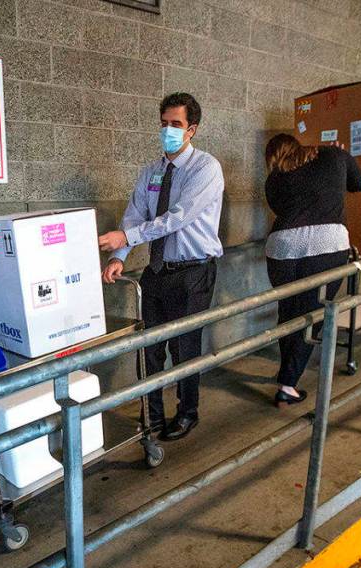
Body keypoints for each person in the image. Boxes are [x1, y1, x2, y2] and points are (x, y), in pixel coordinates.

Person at [98, 92, 224, 442]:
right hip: (157, 270)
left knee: (185, 347)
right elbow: (135, 214)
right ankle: (151, 414)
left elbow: (177, 218)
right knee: (150, 348)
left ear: (192, 129)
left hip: (193, 271)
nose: (169, 130)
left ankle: (187, 412)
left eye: (176, 124)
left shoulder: (205, 169)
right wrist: (119, 256)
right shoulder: (151, 172)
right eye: (164, 123)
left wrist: (125, 237)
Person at [263, 134, 361, 407]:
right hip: (326, 245)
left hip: (281, 248)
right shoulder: (333, 155)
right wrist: (343, 161)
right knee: (312, 314)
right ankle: (288, 385)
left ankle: (287, 373)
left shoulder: (274, 180)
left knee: (288, 311)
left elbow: (282, 209)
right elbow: (360, 183)